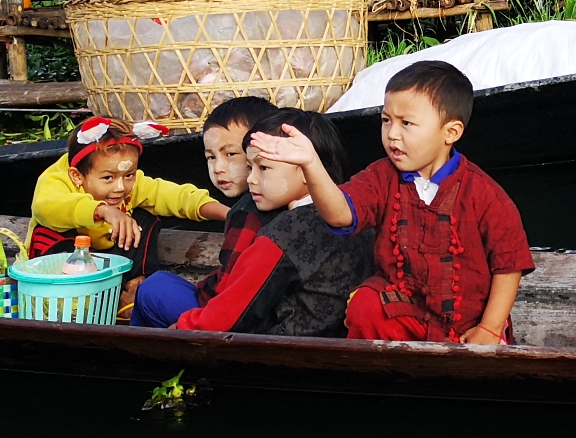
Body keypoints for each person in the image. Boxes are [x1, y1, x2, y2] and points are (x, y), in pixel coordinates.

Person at [252, 60, 534, 345]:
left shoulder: (484, 193)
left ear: (451, 132)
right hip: (404, 314)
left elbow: (509, 264)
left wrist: (490, 327)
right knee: (366, 305)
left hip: (468, 327)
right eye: (386, 120)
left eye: (406, 123)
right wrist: (311, 163)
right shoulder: (381, 176)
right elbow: (340, 214)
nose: (392, 134)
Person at [161, 108, 375, 336]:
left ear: (307, 169)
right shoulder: (361, 217)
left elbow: (228, 314)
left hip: (285, 350)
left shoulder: (283, 235)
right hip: (341, 344)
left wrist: (183, 328)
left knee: (156, 292)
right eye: (250, 168)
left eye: (263, 168)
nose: (251, 180)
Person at [28, 116, 226, 309]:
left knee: (145, 217)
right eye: (108, 178)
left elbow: (177, 197)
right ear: (77, 176)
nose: (120, 187)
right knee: (50, 232)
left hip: (108, 264)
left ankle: (135, 286)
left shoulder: (126, 182)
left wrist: (228, 214)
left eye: (129, 175)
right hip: (67, 274)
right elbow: (46, 207)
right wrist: (101, 210)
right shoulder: (56, 181)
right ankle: (83, 303)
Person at [131, 94, 277, 329]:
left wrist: (190, 323)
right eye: (211, 157)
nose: (218, 168)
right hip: (252, 313)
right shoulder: (277, 199)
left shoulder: (248, 213)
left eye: (230, 154)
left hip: (236, 323)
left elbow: (230, 289)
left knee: (153, 289)